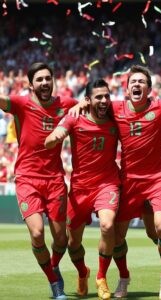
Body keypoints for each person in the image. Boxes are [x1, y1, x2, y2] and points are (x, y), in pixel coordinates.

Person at [0, 62, 79, 299]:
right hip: (27, 179)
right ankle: (54, 282)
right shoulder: (21, 103)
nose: (44, 83)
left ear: (53, 80)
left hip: (55, 180)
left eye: (48, 78)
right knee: (37, 234)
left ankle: (53, 264)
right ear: (31, 85)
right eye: (39, 80)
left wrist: (86, 102)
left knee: (61, 239)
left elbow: (92, 107)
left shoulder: (65, 104)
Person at [45, 78, 120, 300]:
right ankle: (82, 272)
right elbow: (53, 136)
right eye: (99, 97)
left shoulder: (116, 118)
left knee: (107, 226)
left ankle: (101, 277)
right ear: (88, 100)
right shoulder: (75, 118)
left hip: (108, 182)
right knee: (72, 242)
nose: (104, 100)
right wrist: (55, 137)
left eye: (107, 96)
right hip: (80, 187)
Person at [111, 65, 161, 300]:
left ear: (149, 89)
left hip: (158, 178)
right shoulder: (114, 109)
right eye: (133, 82)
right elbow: (92, 111)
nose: (137, 85)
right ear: (126, 89)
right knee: (118, 237)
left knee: (160, 228)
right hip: (128, 181)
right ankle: (123, 278)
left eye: (142, 82)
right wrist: (80, 104)